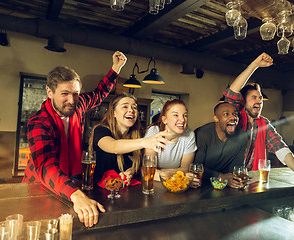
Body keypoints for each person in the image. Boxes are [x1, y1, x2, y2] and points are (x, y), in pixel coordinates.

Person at [22, 51, 127, 227]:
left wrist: (116, 68)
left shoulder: (77, 105)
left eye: (76, 93)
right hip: (40, 189)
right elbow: (46, 165)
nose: (71, 100)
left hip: (71, 188)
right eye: (64, 94)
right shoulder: (39, 122)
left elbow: (99, 93)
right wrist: (76, 194)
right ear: (49, 92)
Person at [222, 52, 294, 196]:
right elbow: (232, 92)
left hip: (251, 184)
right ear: (243, 101)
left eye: (260, 98)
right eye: (253, 97)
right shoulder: (236, 116)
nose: (259, 101)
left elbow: (282, 149)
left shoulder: (264, 123)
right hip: (228, 183)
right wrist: (255, 65)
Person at [88, 93, 169, 186]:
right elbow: (113, 147)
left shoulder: (134, 136)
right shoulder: (100, 130)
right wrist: (145, 142)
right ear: (113, 112)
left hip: (121, 191)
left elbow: (135, 165)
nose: (131, 110)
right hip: (97, 192)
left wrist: (130, 172)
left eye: (134, 107)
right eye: (125, 106)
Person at [193, 102, 249, 189]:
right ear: (216, 119)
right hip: (198, 184)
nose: (233, 117)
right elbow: (196, 168)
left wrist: (237, 181)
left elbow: (236, 169)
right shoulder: (202, 134)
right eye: (226, 114)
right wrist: (221, 177)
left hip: (221, 185)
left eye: (235, 114)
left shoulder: (242, 136)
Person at [144, 99, 197, 180]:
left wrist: (160, 172)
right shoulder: (154, 131)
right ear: (165, 120)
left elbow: (185, 169)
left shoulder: (189, 135)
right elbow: (148, 171)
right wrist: (177, 175)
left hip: (168, 182)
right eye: (176, 115)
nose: (182, 120)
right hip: (151, 183)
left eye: (185, 115)